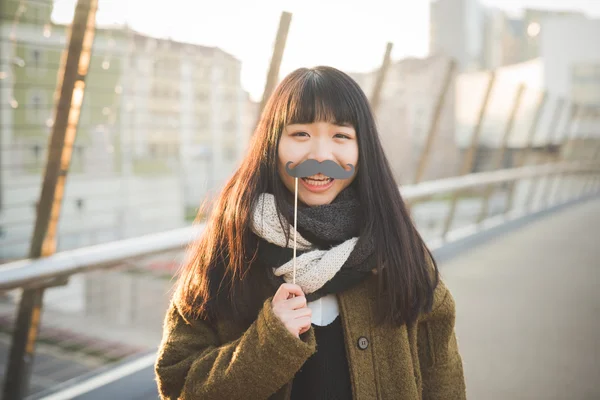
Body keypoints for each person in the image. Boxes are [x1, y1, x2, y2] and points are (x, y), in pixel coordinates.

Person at [154, 66, 467, 399]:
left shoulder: (398, 252)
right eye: (300, 134)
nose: (320, 155)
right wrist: (267, 343)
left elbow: (442, 380)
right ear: (272, 144)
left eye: (341, 136)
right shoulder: (228, 251)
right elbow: (177, 386)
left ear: (364, 150)